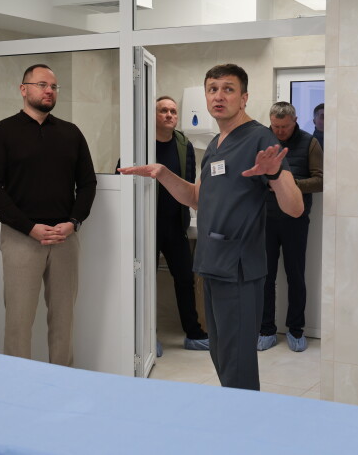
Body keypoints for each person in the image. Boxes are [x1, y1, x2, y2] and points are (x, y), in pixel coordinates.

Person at [120, 63, 303, 390]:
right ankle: (231, 414)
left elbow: (295, 207)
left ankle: (241, 418)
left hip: (239, 269)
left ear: (244, 98)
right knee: (221, 356)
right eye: (212, 89)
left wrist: (274, 174)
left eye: (228, 89)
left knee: (237, 362)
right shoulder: (216, 144)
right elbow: (196, 198)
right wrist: (163, 173)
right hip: (212, 264)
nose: (219, 96)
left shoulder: (259, 138)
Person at [0, 63, 96, 366]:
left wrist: (74, 222)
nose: (49, 91)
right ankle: (19, 383)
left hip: (64, 238)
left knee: (64, 319)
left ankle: (62, 379)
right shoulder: (1, 133)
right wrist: (29, 227)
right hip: (21, 238)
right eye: (42, 85)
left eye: (54, 87)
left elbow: (87, 184)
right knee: (19, 320)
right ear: (23, 89)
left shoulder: (71, 133)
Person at [260, 102, 323, 352]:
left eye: (284, 127)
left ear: (295, 120)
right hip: (265, 218)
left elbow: (321, 181)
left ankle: (296, 330)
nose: (279, 131)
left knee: (295, 276)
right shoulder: (262, 140)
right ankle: (266, 330)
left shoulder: (310, 143)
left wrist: (289, 184)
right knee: (264, 277)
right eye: (275, 126)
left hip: (296, 220)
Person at [154, 96, 209, 351]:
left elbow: (188, 183)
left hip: (176, 224)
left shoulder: (184, 144)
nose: (169, 115)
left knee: (185, 279)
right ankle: (146, 337)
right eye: (163, 110)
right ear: (153, 115)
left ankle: (193, 333)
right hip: (147, 225)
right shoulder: (140, 141)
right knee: (145, 282)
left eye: (173, 111)